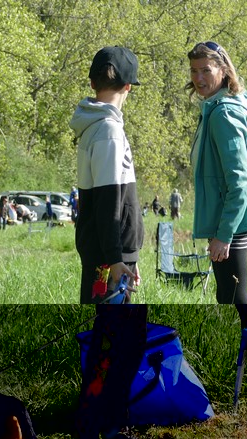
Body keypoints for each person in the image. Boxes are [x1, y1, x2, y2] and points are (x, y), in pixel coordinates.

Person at [188, 41, 247, 395]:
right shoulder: (222, 107)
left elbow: (239, 181)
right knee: (236, 298)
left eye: (206, 70)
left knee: (238, 298)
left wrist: (224, 234)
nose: (199, 77)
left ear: (223, 70)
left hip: (232, 222)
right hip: (231, 220)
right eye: (194, 71)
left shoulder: (223, 114)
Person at [69, 46, 144, 304]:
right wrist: (115, 258)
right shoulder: (108, 131)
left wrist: (127, 256)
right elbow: (108, 199)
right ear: (128, 87)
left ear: (92, 83)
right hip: (107, 256)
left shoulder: (95, 126)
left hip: (112, 252)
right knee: (112, 326)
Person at [73, 304, 158, 439]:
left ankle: (113, 433)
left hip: (131, 301)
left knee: (130, 352)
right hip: (112, 297)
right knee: (102, 366)